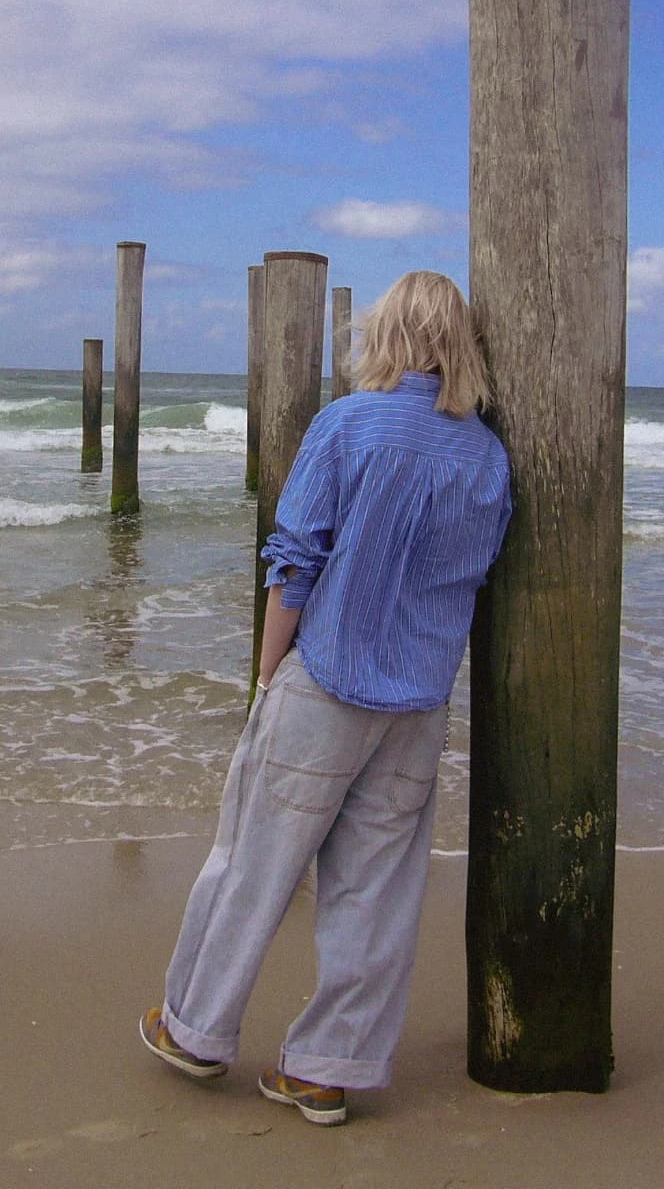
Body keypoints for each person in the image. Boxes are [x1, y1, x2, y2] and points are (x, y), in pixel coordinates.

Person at [139, 269, 511, 1126]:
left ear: (389, 337)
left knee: (252, 862)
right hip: (418, 703)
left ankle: (194, 1029)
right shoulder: (488, 457)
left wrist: (269, 674)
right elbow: (473, 579)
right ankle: (324, 1069)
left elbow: (296, 559)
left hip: (330, 679)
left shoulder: (346, 424)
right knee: (376, 892)